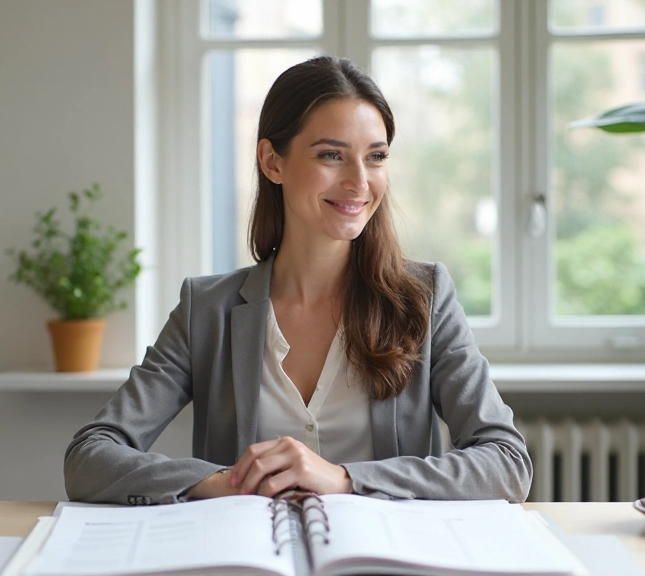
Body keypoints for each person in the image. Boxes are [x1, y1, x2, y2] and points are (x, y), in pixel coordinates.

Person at [64, 56, 531, 505]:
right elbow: (90, 456)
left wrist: (346, 479)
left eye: (376, 157)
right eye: (332, 155)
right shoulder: (207, 309)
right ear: (272, 162)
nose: (359, 182)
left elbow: (506, 462)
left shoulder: (425, 298)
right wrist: (218, 482)